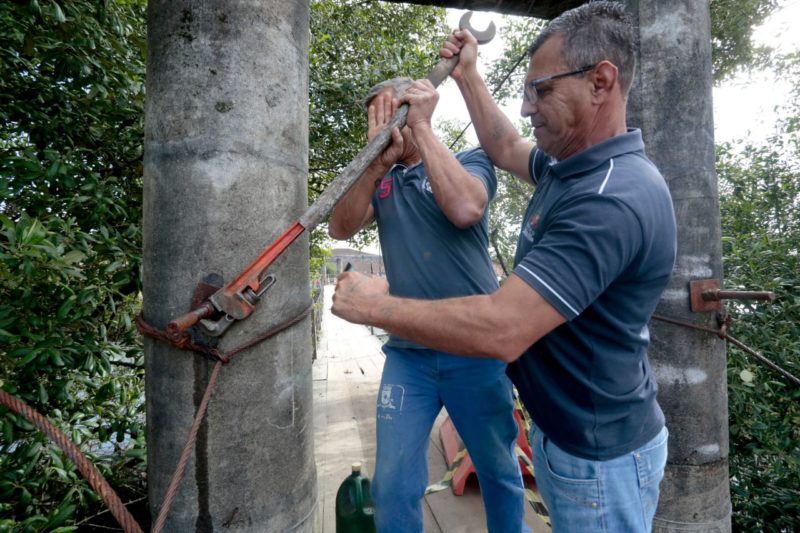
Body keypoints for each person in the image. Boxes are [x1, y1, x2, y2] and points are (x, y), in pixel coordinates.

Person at [331, 3, 677, 532]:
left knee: (499, 472)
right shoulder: (568, 169)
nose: (527, 106)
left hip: (597, 452)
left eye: (540, 90)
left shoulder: (610, 199)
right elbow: (505, 143)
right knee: (397, 481)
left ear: (601, 83)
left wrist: (376, 305)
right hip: (562, 430)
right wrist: (468, 73)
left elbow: (501, 322)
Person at [328, 77, 529, 532]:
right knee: (393, 483)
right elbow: (340, 229)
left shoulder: (471, 162)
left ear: (412, 111)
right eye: (375, 121)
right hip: (409, 356)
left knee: (498, 470)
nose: (383, 129)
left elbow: (465, 208)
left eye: (389, 116)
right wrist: (372, 166)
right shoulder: (382, 182)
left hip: (474, 350)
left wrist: (421, 129)